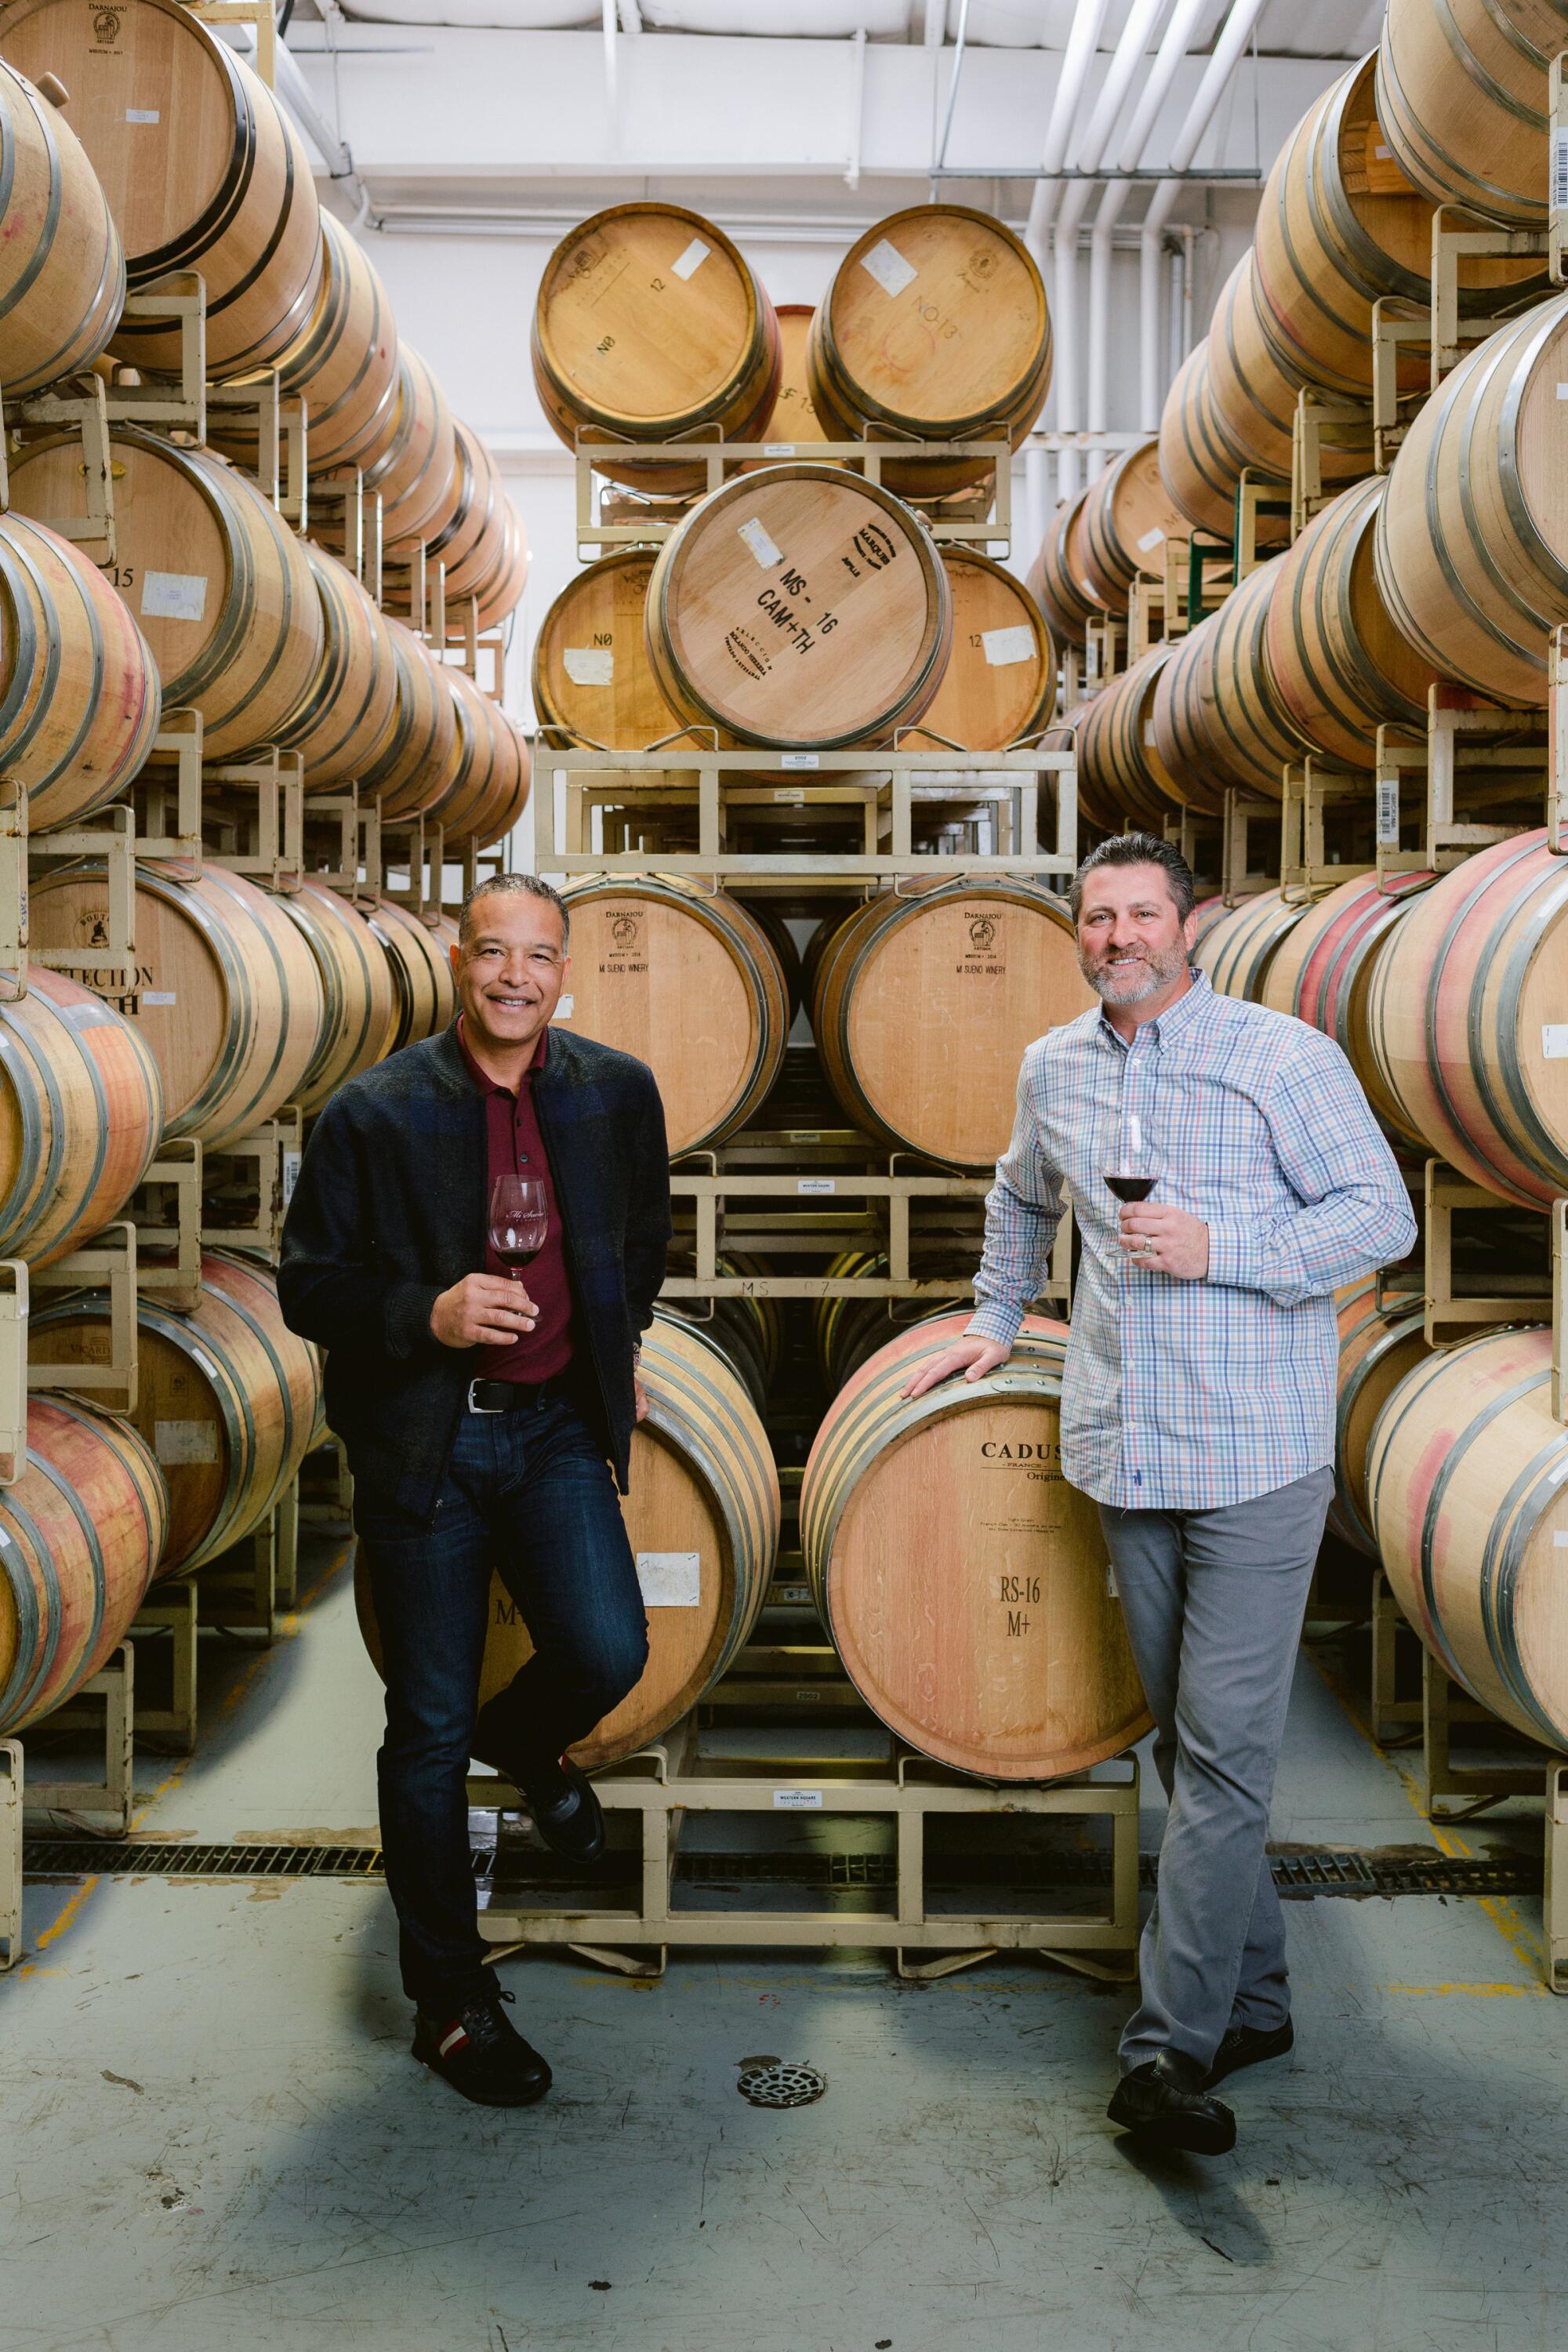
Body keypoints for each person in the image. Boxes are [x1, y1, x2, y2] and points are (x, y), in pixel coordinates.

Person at [902, 833, 1416, 2156]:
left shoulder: (1280, 1060)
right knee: (1187, 1752)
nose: (1117, 936)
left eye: (1140, 914)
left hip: (1255, 1454)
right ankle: (1254, 1999)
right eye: (1096, 917)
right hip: (1125, 1451)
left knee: (1229, 1754)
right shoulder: (1054, 1069)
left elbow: (1380, 1217)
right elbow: (1020, 1202)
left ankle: (1164, 2053)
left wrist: (1221, 1246)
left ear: (1187, 927)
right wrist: (993, 1315)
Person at [278, 872, 671, 2111]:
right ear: (461, 964)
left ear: (567, 969)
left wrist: (617, 1355)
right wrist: (429, 1313)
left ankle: (529, 1741)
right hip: (425, 1448)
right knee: (427, 1731)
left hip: (553, 1428)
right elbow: (308, 1288)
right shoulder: (376, 1112)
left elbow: (640, 1240)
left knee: (607, 1649)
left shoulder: (615, 1093)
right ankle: (451, 2003)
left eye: (539, 956)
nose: (516, 976)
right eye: (494, 954)